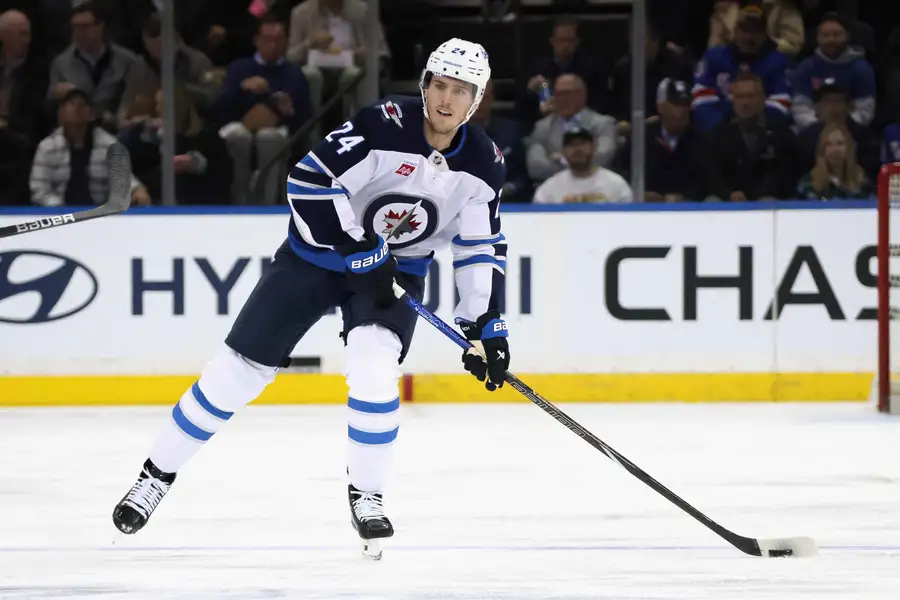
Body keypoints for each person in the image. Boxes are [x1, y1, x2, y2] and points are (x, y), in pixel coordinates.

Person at [111, 38, 509, 560]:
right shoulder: (381, 124)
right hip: (317, 258)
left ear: (475, 101)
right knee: (235, 372)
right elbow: (307, 180)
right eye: (440, 84)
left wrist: (486, 327)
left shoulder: (484, 162)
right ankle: (154, 477)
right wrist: (357, 247)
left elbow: (481, 246)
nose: (447, 99)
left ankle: (367, 494)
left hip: (398, 269)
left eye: (461, 90)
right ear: (425, 84)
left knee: (373, 368)